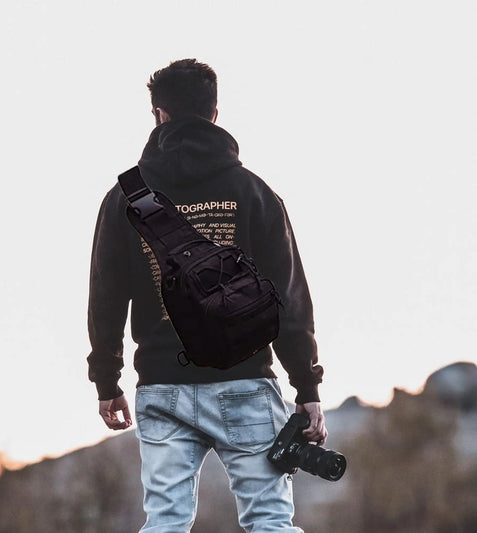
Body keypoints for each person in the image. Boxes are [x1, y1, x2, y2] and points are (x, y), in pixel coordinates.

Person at [87, 58, 327, 533]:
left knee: (166, 521)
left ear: (159, 115)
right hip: (245, 381)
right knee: (270, 520)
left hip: (162, 384)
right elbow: (290, 295)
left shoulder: (125, 197)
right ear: (215, 113)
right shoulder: (253, 191)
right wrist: (307, 386)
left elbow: (105, 298)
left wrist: (107, 381)